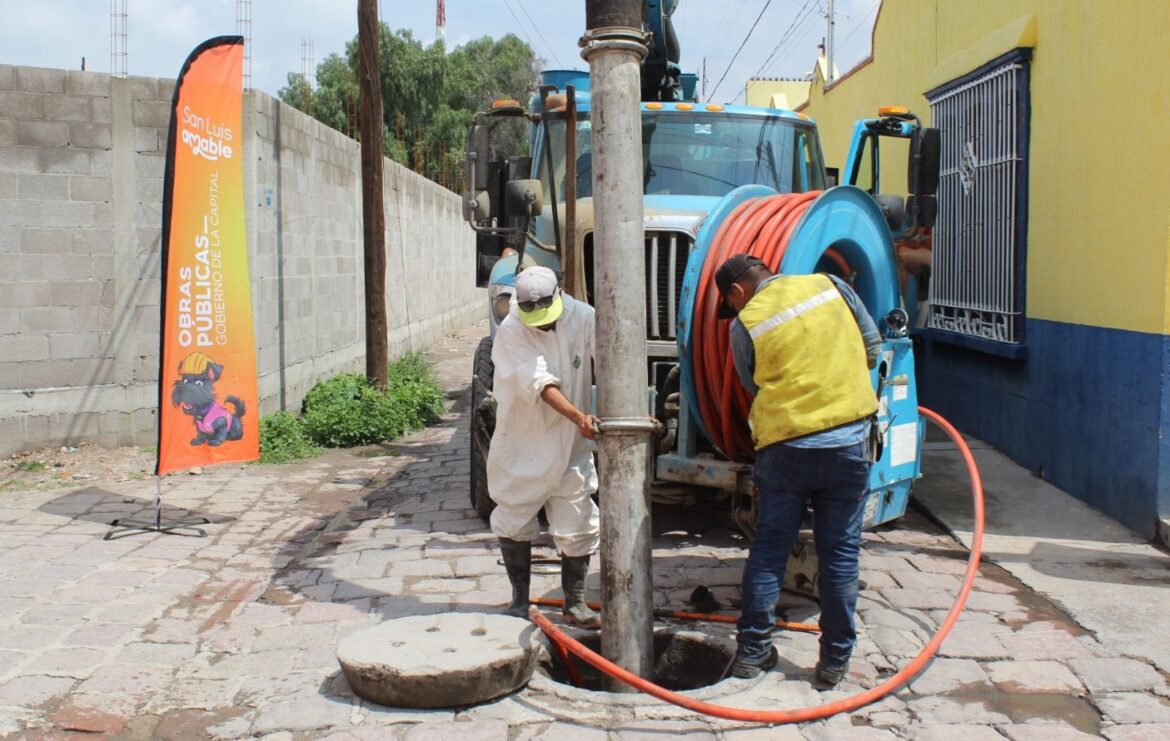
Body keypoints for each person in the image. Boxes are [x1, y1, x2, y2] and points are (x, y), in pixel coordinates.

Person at [714, 254, 881, 686]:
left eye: (730, 303)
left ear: (737, 292)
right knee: (840, 553)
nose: (733, 310)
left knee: (770, 550)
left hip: (785, 447)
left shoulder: (744, 324)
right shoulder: (830, 286)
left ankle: (752, 654)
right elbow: (873, 347)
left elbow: (754, 384)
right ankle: (834, 663)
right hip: (847, 442)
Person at [487, 265, 602, 629]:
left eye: (549, 319)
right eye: (537, 320)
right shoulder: (511, 331)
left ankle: (576, 603)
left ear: (561, 295)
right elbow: (539, 383)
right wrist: (580, 416)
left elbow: (610, 360)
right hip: (525, 439)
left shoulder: (583, 316)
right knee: (514, 515)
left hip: (572, 444)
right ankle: (520, 600)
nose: (544, 326)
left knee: (579, 518)